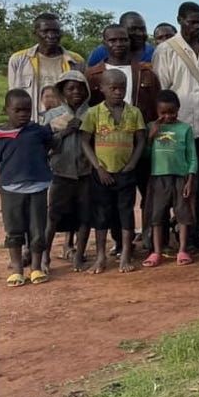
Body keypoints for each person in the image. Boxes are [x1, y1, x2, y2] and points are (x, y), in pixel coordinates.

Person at [153, 2, 199, 237]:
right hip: (175, 128)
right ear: (179, 20)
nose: (196, 26)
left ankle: (197, 232)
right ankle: (169, 233)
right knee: (174, 184)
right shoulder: (165, 50)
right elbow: (162, 90)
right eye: (191, 22)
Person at [80, 69, 146, 274]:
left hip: (126, 172)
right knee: (101, 214)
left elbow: (141, 139)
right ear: (102, 89)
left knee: (126, 213)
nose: (118, 92)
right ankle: (100, 256)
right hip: (102, 174)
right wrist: (98, 168)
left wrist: (133, 163)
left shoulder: (134, 112)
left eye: (122, 88)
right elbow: (84, 141)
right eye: (113, 88)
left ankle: (126, 253)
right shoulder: (94, 113)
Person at [0, 89, 56, 286]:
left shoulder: (38, 131)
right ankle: (17, 269)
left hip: (38, 188)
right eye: (18, 110)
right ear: (7, 110)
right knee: (14, 229)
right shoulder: (0, 135)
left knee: (37, 229)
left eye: (27, 110)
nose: (23, 114)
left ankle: (37, 268)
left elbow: (51, 144)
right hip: (11, 189)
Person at [44, 71, 94, 272]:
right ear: (62, 91)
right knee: (53, 216)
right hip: (60, 172)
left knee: (85, 215)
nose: (77, 92)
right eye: (71, 88)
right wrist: (66, 131)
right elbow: (46, 145)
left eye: (81, 87)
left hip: (85, 172)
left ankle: (79, 256)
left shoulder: (92, 113)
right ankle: (44, 257)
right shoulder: (52, 116)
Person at [141, 90, 197, 268]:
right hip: (158, 177)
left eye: (171, 112)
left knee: (182, 214)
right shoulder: (152, 127)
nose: (167, 116)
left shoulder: (185, 128)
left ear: (178, 109)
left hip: (180, 177)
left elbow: (192, 156)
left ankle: (182, 249)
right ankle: (156, 252)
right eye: (163, 113)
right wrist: (151, 135)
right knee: (157, 215)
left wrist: (190, 179)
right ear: (157, 111)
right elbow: (145, 155)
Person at [87, 24, 160, 120]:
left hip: (140, 131)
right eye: (113, 40)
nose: (118, 44)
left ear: (129, 42)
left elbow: (157, 105)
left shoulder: (146, 73)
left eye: (123, 40)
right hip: (102, 132)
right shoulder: (92, 75)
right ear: (104, 43)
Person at [7, 13, 84, 102]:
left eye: (56, 31)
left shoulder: (77, 61)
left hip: (65, 116)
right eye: (45, 31)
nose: (51, 36)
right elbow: (13, 97)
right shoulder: (18, 60)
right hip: (32, 116)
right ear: (35, 34)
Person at [86, 11, 155, 67]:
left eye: (143, 29)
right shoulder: (100, 53)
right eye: (133, 29)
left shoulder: (153, 53)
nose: (139, 33)